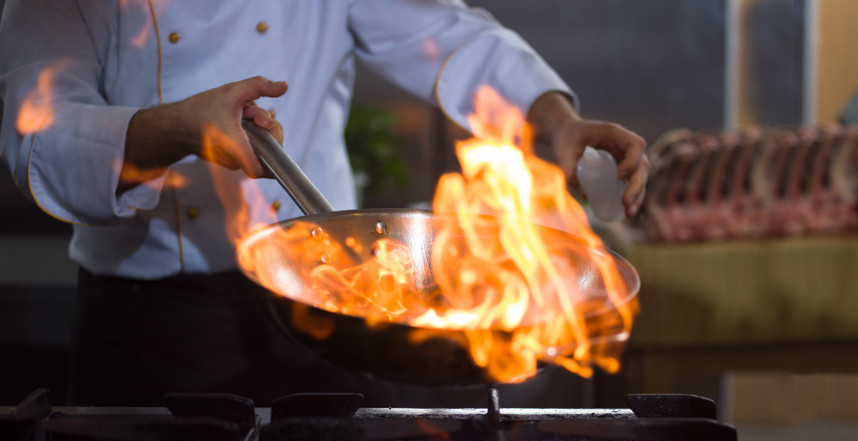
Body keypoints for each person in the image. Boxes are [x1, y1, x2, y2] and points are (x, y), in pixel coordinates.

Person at [0, 0, 650, 406]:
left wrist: (554, 119)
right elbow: (39, 142)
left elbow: (453, 36)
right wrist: (174, 129)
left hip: (330, 305)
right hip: (153, 325)